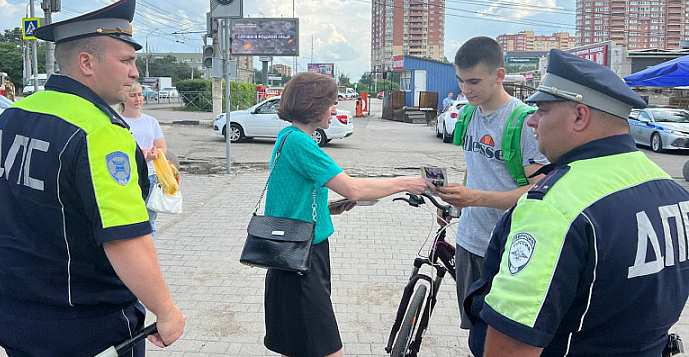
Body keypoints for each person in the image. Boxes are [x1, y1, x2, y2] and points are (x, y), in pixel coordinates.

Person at [0, 0, 185, 356]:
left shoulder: (10, 117)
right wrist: (166, 310)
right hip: (86, 325)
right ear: (86, 62)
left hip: (13, 313)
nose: (135, 72)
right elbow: (125, 239)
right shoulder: (102, 133)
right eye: (126, 60)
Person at [466, 49, 689, 357]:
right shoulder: (672, 191)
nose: (531, 121)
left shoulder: (555, 206)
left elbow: (513, 342)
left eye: (542, 110)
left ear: (579, 116)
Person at [263, 72, 431, 357]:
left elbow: (292, 195)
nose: (334, 110)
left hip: (291, 254)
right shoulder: (300, 143)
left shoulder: (288, 136)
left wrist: (329, 209)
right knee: (328, 349)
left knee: (302, 347)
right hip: (302, 261)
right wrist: (407, 182)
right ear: (312, 104)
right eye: (330, 103)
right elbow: (353, 188)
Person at [435, 36, 547, 330]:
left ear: (499, 76)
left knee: (500, 337)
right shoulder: (470, 113)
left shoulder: (524, 122)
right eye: (460, 81)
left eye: (473, 82)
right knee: (475, 332)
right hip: (469, 241)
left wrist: (474, 198)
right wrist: (456, 207)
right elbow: (475, 169)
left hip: (508, 250)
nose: (465, 90)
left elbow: (540, 192)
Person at [120, 79, 166, 239]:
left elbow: (161, 148)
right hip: (126, 178)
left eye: (140, 95)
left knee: (148, 222)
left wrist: (154, 154)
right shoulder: (117, 121)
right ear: (124, 98)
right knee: (128, 221)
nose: (138, 99)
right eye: (133, 95)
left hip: (150, 176)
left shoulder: (151, 121)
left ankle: (149, 259)